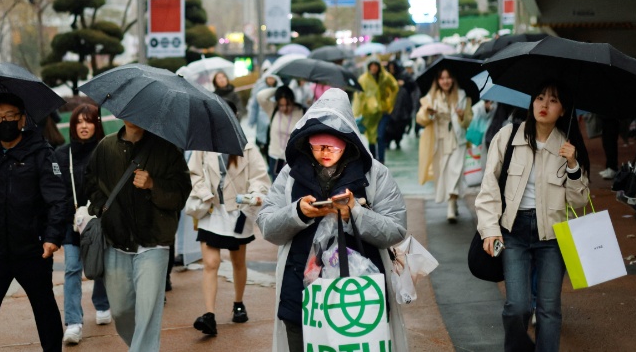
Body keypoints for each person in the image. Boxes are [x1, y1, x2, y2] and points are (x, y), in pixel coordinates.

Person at [257, 88, 409, 352]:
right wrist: (298, 213)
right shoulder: (290, 175)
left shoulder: (374, 175)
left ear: (348, 142)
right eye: (317, 146)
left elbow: (396, 229)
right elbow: (268, 226)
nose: (324, 152)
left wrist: (355, 214)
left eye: (332, 146)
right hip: (300, 294)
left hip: (357, 294)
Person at [476, 81, 590, 352]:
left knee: (549, 310)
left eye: (553, 100)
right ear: (531, 102)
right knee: (517, 306)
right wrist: (490, 229)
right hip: (513, 232)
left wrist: (573, 166)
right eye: (539, 98)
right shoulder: (508, 136)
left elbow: (580, 200)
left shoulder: (568, 147)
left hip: (552, 236)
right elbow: (489, 185)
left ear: (563, 110)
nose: (544, 105)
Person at [0, 93, 69, 351]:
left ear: (22, 118)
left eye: (10, 116)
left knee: (44, 309)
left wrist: (53, 238)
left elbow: (58, 199)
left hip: (32, 250)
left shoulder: (41, 153)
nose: (4, 122)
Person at [84, 119, 191, 352]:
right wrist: (104, 210)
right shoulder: (105, 147)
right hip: (116, 239)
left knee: (148, 312)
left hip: (155, 240)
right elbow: (90, 184)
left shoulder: (167, 149)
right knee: (121, 310)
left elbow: (181, 193)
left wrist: (153, 184)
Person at [187, 113, 271, 336]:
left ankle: (238, 303)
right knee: (211, 263)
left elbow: (260, 178)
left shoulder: (248, 148)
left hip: (238, 212)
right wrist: (205, 193)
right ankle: (209, 315)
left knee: (238, 261)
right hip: (211, 210)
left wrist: (252, 195)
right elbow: (194, 174)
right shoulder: (203, 146)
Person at [53, 103, 111, 345]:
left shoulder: (106, 150)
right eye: (79, 121)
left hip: (100, 220)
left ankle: (102, 303)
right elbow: (56, 191)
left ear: (97, 124)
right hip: (71, 220)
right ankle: (74, 323)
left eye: (89, 121)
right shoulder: (60, 154)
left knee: (100, 265)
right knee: (72, 269)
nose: (84, 126)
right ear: (73, 126)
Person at [416, 67, 473, 222]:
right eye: (442, 78)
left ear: (453, 79)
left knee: (455, 172)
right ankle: (451, 202)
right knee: (444, 174)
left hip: (457, 140)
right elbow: (420, 118)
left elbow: (468, 120)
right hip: (439, 141)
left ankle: (451, 205)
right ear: (438, 81)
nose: (445, 81)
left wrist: (462, 116)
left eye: (448, 78)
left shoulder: (462, 96)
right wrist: (429, 112)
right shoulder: (430, 98)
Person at [352, 58, 398, 162]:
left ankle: (381, 160)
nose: (374, 68)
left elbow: (394, 87)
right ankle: (373, 160)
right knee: (371, 137)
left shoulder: (385, 77)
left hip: (382, 111)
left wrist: (389, 102)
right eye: (371, 65)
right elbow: (358, 96)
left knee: (380, 136)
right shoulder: (363, 79)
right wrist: (357, 112)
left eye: (375, 65)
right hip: (369, 113)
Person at [257, 85, 306, 180]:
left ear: (293, 101)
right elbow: (260, 96)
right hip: (275, 158)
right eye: (281, 105)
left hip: (294, 160)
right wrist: (280, 89)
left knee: (293, 191)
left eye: (288, 105)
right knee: (277, 190)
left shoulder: (301, 112)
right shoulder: (272, 109)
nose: (284, 108)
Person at [248, 74, 282, 160]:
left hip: (276, 119)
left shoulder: (280, 87)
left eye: (272, 78)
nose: (270, 80)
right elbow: (254, 105)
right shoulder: (260, 88)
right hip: (262, 119)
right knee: (264, 142)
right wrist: (252, 120)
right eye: (269, 78)